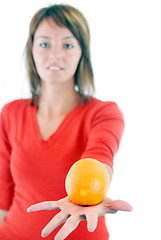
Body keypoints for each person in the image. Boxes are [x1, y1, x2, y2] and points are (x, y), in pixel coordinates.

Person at [0, 4, 132, 240]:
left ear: (82, 52)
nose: (55, 54)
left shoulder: (103, 113)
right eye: (44, 43)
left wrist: (94, 185)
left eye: (68, 44)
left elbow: (100, 155)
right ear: (31, 49)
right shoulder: (11, 113)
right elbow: (2, 192)